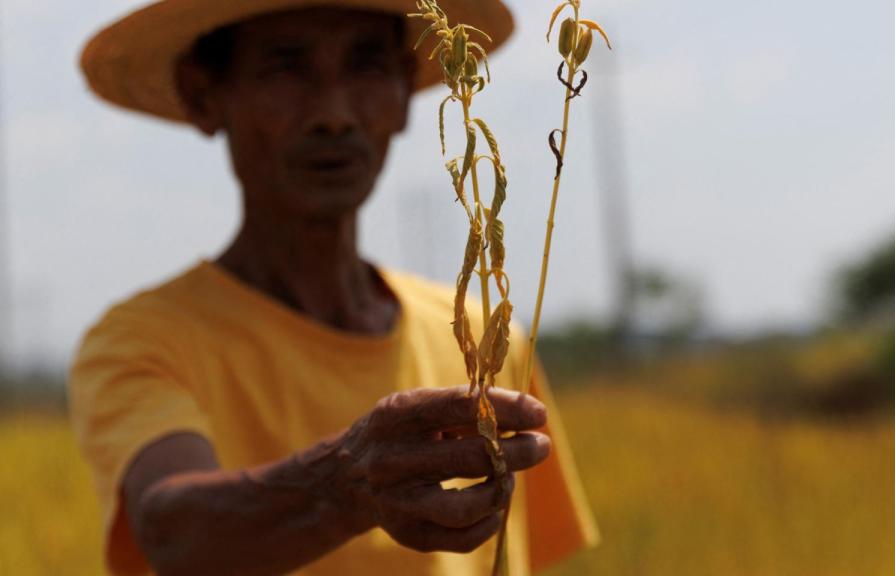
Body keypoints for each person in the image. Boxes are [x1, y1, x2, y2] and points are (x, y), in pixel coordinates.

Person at [68, 1, 598, 575]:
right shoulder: (144, 341)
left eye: (366, 65)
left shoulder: (485, 335)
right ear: (204, 94)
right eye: (285, 67)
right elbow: (172, 533)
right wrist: (345, 482)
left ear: (403, 93)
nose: (333, 114)